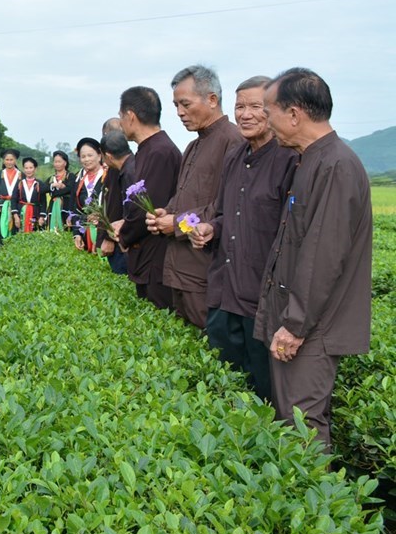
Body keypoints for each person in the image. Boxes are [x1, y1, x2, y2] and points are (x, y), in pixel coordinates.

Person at [253, 68, 372, 451]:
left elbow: (323, 255)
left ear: (294, 114)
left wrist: (294, 324)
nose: (266, 122)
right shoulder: (311, 160)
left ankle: (317, 504)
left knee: (302, 422)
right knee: (289, 417)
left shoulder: (335, 165)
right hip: (301, 319)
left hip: (314, 326)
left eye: (269, 112)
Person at [187, 77, 297, 401]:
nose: (245, 114)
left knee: (265, 393)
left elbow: (291, 234)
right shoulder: (235, 156)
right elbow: (224, 214)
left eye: (255, 106)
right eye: (239, 106)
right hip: (224, 293)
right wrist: (211, 229)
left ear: (273, 111)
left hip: (261, 302)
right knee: (227, 388)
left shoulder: (288, 160)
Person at [146, 65, 243, 330]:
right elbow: (184, 197)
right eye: (176, 105)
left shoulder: (233, 141)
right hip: (180, 268)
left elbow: (227, 208)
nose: (179, 113)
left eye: (185, 104)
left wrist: (176, 224)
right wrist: (164, 214)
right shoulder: (193, 144)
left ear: (212, 99)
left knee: (210, 348)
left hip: (205, 269)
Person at [117, 86, 182, 310]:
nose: (120, 122)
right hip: (145, 254)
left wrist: (123, 235)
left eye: (120, 116)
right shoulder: (147, 149)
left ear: (130, 116)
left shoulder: (159, 151)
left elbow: (148, 208)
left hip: (156, 257)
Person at [99, 131, 134, 275]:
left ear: (107, 155)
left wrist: (111, 238)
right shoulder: (130, 167)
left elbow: (125, 208)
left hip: (124, 242)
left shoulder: (128, 172)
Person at [72, 137, 107, 252]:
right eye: (83, 156)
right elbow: (77, 210)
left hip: (105, 236)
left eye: (90, 155)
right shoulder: (79, 181)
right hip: (86, 238)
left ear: (99, 156)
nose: (86, 159)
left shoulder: (108, 177)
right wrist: (77, 234)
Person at [0, 148, 22, 243]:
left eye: (11, 159)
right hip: (1, 206)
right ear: (3, 161)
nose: (9, 162)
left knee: (15, 229)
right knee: (1, 228)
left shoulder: (21, 175)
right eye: (7, 160)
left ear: (15, 161)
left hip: (16, 207)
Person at [11, 157, 46, 232]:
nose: (28, 170)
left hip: (36, 213)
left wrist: (42, 217)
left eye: (31, 167)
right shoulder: (19, 183)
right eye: (26, 168)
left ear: (35, 169)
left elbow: (44, 202)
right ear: (23, 169)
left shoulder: (40, 184)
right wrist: (15, 216)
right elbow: (13, 200)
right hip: (21, 213)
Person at [45, 150, 76, 233]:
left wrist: (54, 193)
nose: (57, 164)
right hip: (53, 206)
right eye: (55, 162)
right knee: (53, 230)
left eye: (59, 161)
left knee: (66, 229)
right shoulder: (51, 178)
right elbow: (44, 189)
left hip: (66, 207)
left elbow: (70, 189)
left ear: (65, 163)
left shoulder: (71, 176)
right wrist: (53, 185)